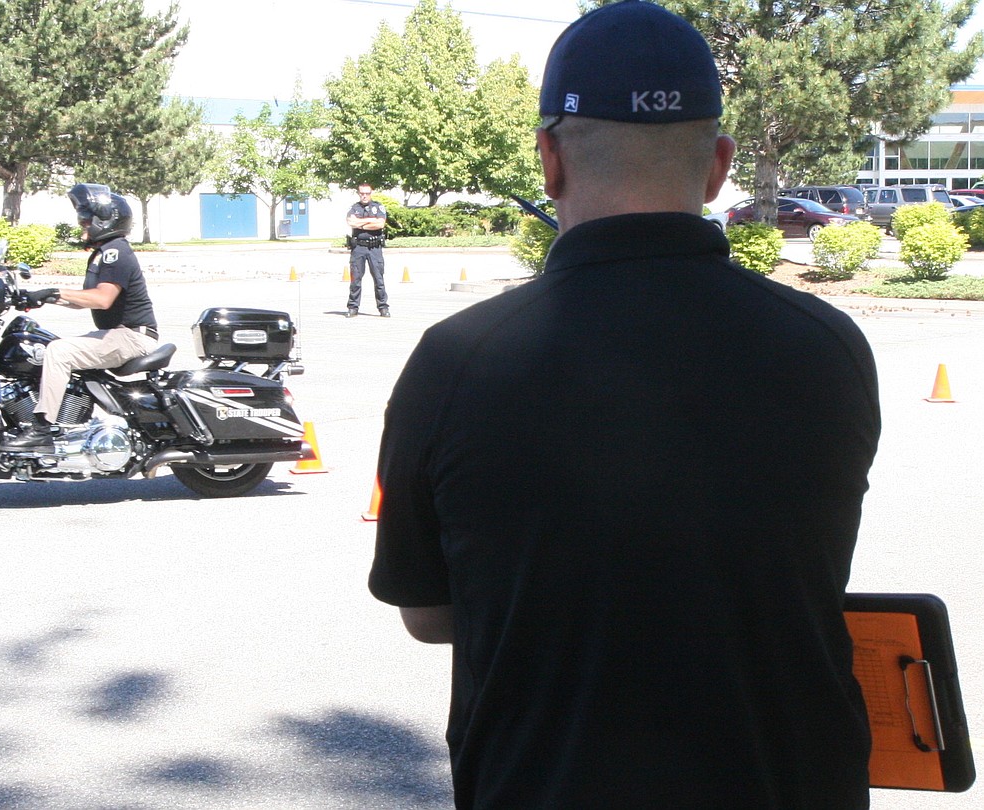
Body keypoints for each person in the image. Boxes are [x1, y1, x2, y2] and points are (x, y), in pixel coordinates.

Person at [367, 2, 881, 808]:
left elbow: (428, 614)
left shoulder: (458, 360)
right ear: (717, 164)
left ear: (549, 160)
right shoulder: (828, 345)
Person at [2, 183, 159, 451]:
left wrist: (54, 291)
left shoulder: (115, 252)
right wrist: (42, 298)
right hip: (119, 335)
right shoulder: (103, 253)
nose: (81, 224)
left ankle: (43, 427)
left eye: (86, 219)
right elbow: (86, 298)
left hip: (132, 336)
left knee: (59, 351)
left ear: (105, 220)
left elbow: (101, 298)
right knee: (43, 345)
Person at [345, 183, 389, 317]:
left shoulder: (378, 207)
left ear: (371, 193)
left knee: (379, 279)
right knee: (355, 279)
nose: (364, 196)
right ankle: (353, 307)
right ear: (359, 193)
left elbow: (380, 223)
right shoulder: (354, 208)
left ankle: (383, 307)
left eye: (367, 193)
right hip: (358, 247)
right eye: (362, 193)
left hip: (374, 248)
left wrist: (361, 223)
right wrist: (370, 221)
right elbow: (351, 222)